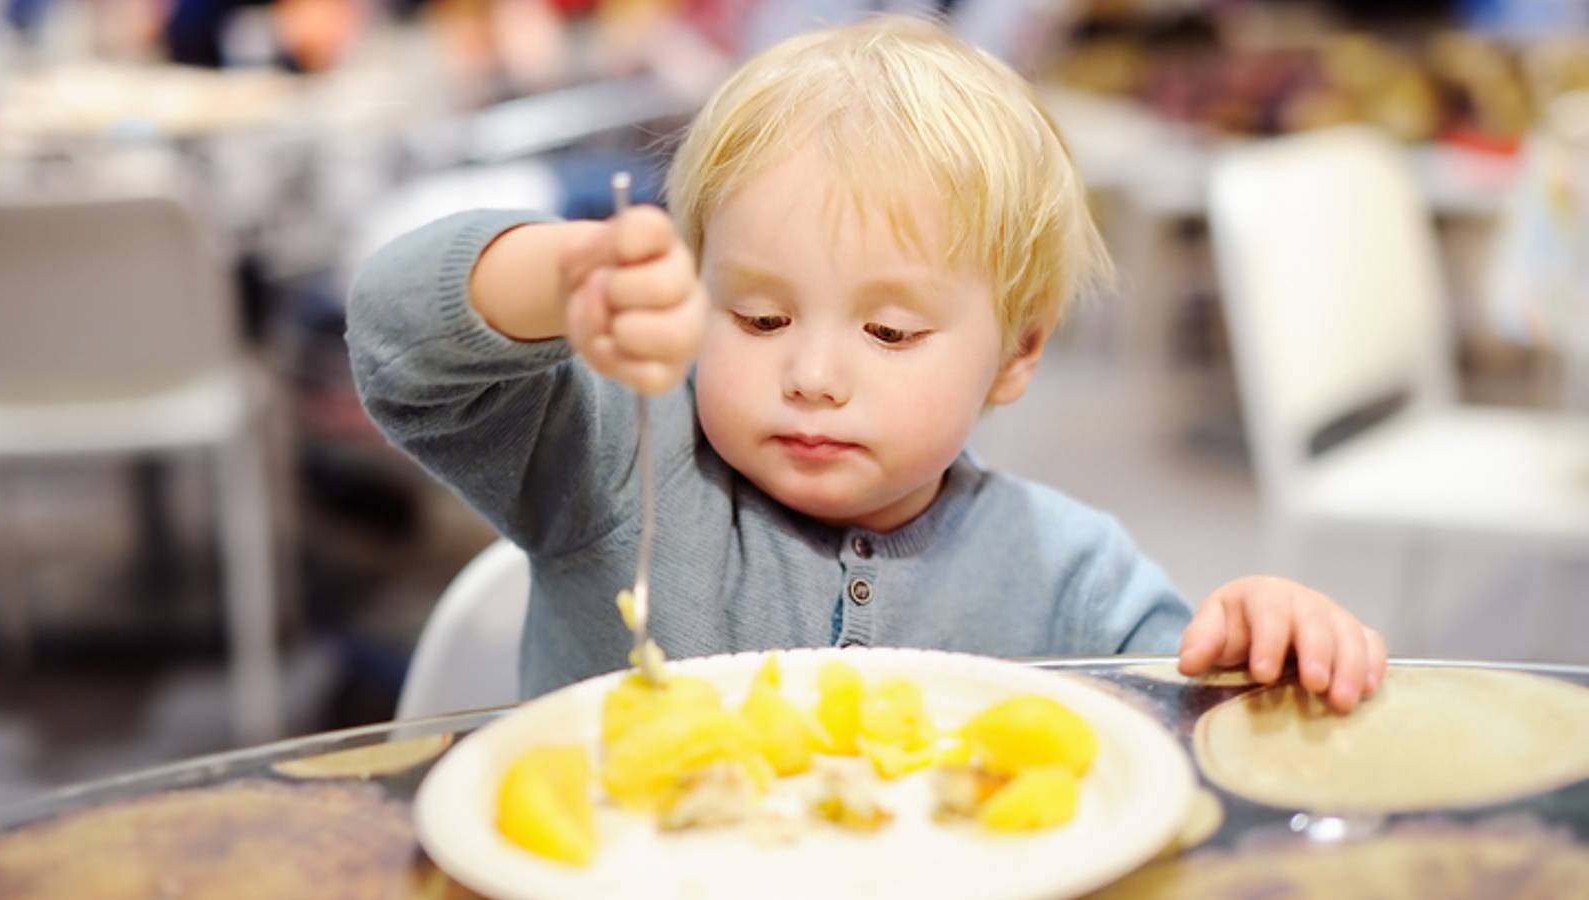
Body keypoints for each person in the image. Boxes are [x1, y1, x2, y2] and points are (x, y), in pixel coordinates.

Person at [348, 15, 1387, 710]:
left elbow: (1180, 736)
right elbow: (400, 343)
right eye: (755, 317)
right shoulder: (610, 464)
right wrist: (554, 279)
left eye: (888, 334)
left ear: (1017, 352)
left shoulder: (1073, 575)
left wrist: (1261, 639)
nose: (812, 374)